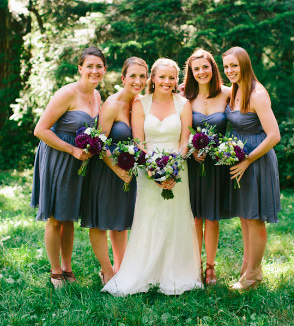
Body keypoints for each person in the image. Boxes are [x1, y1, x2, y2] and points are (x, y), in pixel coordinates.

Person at [102, 58, 202, 295]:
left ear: (176, 80)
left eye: (171, 77)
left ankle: (178, 272)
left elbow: (185, 141)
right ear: (153, 79)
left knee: (175, 218)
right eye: (162, 77)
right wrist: (153, 169)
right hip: (147, 170)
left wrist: (173, 169)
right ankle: (144, 272)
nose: (167, 82)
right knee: (150, 218)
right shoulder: (140, 103)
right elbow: (138, 142)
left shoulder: (183, 104)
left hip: (177, 171)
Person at [31, 46, 107, 288]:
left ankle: (67, 267)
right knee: (56, 217)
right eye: (90, 66)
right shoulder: (67, 93)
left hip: (79, 162)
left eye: (99, 66)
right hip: (59, 157)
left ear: (104, 70)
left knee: (69, 216)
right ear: (80, 68)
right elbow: (40, 130)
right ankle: (55, 271)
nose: (94, 71)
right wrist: (73, 150)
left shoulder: (97, 96)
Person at [80, 57, 148, 285]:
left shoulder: (140, 104)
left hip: (127, 172)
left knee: (121, 221)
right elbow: (98, 142)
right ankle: (107, 270)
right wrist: (117, 169)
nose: (138, 81)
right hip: (106, 170)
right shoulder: (112, 104)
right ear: (123, 78)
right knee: (100, 221)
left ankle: (122, 268)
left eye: (142, 76)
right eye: (133, 76)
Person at [222, 46, 281, 290]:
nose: (229, 71)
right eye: (226, 66)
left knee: (255, 218)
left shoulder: (257, 94)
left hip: (256, 159)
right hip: (241, 159)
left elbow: (274, 135)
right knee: (245, 216)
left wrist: (248, 160)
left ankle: (254, 274)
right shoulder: (234, 90)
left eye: (234, 65)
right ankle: (248, 266)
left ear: (245, 65)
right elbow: (211, 91)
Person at [183, 49, 230, 284]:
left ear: (213, 68)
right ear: (191, 73)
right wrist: (192, 150)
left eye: (205, 67)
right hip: (193, 165)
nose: (202, 72)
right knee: (194, 218)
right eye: (196, 69)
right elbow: (177, 130)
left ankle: (210, 266)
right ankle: (195, 264)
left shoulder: (228, 94)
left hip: (217, 165)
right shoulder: (184, 97)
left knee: (212, 218)